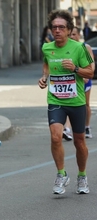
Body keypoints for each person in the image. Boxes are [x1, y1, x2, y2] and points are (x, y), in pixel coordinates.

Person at [38, 10, 94, 195]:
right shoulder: (47, 48)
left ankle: (82, 175)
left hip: (76, 101)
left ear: (69, 30)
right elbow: (46, 64)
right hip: (55, 100)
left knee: (79, 142)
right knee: (55, 136)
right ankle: (61, 174)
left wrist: (76, 68)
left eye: (61, 27)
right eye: (54, 27)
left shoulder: (79, 48)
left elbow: (90, 72)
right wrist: (44, 77)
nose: (57, 30)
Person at [62, 26, 95, 140]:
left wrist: (86, 75)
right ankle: (67, 129)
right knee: (68, 103)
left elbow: (91, 64)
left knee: (86, 104)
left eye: (74, 34)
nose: (72, 36)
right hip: (70, 81)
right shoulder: (66, 48)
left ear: (79, 35)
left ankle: (87, 127)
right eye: (70, 34)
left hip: (84, 79)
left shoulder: (85, 47)